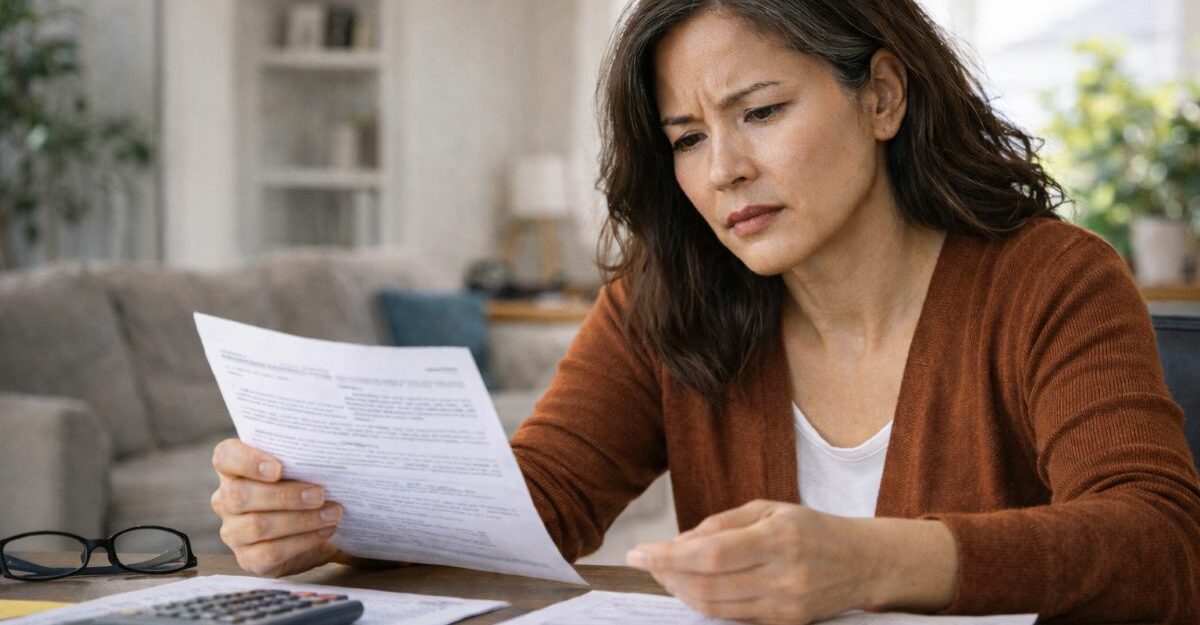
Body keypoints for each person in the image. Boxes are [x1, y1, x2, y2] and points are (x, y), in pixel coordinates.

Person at [210, 0, 1200, 622]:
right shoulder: (665, 298)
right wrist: (329, 525)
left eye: (761, 112)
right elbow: (536, 505)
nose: (722, 169)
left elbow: (1159, 542)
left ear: (883, 95)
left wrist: (863, 561)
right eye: (686, 136)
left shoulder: (1051, 280)